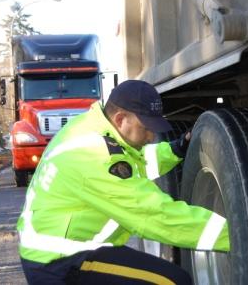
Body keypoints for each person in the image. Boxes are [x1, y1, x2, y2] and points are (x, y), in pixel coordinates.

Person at [17, 80, 229, 284]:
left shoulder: (90, 129)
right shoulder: (94, 155)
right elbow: (153, 215)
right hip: (59, 261)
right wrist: (235, 235)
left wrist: (176, 148)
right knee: (172, 280)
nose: (151, 135)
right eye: (145, 127)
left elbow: (135, 164)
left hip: (55, 250)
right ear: (120, 119)